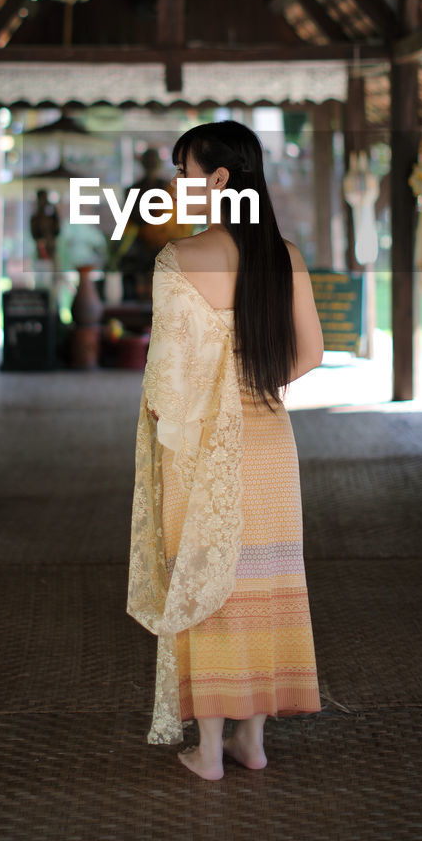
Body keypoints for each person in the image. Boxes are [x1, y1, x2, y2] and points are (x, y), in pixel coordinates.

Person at [127, 120, 324, 780]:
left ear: (217, 180)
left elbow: (166, 380)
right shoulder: (284, 257)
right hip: (269, 443)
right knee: (265, 583)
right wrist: (250, 388)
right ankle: (253, 742)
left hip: (202, 452)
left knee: (206, 585)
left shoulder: (178, 261)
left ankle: (209, 751)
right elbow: (311, 354)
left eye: (182, 172)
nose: (174, 186)